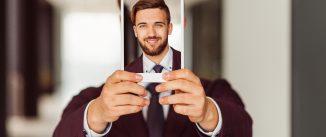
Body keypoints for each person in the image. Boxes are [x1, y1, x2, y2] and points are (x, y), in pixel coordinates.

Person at [53, 0, 252, 137]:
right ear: (133, 30)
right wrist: (96, 114)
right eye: (142, 25)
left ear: (170, 27)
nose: (151, 33)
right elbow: (60, 133)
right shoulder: (95, 98)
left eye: (158, 24)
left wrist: (209, 113)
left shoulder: (213, 91)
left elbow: (244, 127)